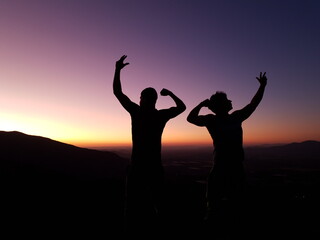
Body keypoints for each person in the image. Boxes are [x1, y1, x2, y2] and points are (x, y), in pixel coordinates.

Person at [187, 72, 267, 236]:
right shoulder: (231, 118)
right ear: (222, 105)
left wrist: (202, 104)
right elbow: (253, 104)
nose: (231, 101)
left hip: (224, 167)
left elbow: (191, 118)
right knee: (229, 204)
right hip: (231, 167)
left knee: (218, 205)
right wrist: (262, 86)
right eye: (228, 100)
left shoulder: (214, 119)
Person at [113, 55, 186, 234]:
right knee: (159, 203)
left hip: (138, 166)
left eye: (140, 97)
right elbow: (182, 107)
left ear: (143, 99)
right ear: (155, 100)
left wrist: (117, 70)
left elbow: (118, 93)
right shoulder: (160, 116)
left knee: (131, 206)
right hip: (154, 166)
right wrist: (170, 94)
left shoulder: (136, 112)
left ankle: (131, 231)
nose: (139, 100)